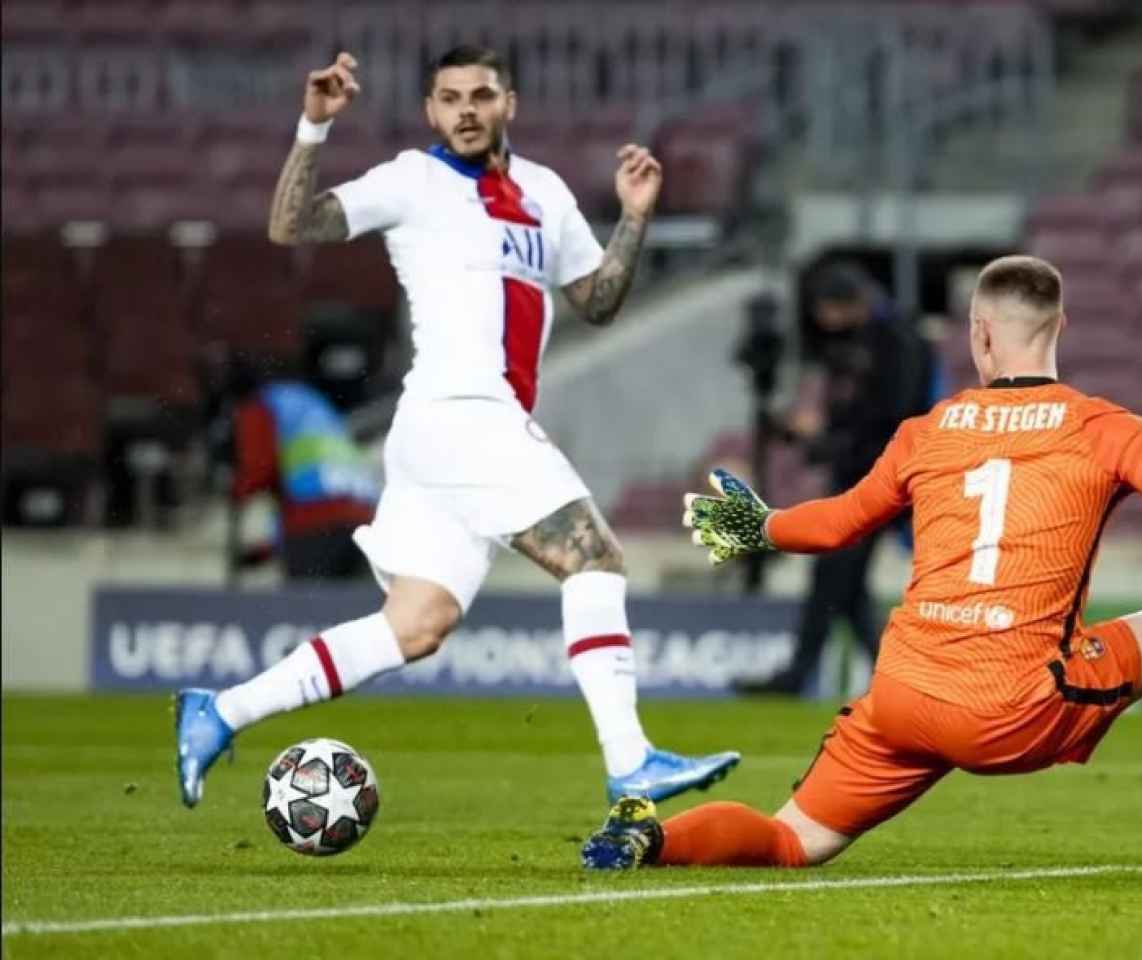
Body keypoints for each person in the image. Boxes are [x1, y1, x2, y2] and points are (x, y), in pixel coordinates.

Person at [582, 255, 1142, 871]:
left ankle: (652, 842)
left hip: (902, 693)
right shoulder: (1101, 426)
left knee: (790, 841)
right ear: (1059, 326)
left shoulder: (926, 431)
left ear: (979, 337)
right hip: (1009, 704)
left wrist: (758, 525)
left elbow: (832, 528)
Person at [173, 46, 740, 808]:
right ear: (431, 112)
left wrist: (634, 220)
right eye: (449, 98)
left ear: (510, 102)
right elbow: (291, 224)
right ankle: (629, 758)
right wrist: (313, 127)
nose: (465, 109)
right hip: (460, 412)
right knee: (594, 559)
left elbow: (596, 301)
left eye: (480, 94)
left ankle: (221, 711)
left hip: (450, 435)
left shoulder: (545, 192)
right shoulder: (415, 179)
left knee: (415, 624)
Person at [735, 262, 934, 696]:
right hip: (860, 474)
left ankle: (814, 674)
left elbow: (888, 419)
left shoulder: (895, 344)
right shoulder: (880, 340)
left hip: (876, 479)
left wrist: (824, 438)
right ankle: (895, 675)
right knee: (843, 582)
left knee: (836, 574)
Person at [226, 367, 378, 581]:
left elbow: (259, 469)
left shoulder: (260, 406)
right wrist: (267, 550)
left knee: (308, 609)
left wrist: (236, 491)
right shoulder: (313, 405)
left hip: (315, 524)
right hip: (365, 520)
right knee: (353, 607)